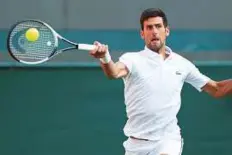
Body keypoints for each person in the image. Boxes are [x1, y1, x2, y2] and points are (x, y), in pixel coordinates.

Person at [89, 8, 232, 155]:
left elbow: (217, 89)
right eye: (149, 27)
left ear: (167, 31)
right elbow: (113, 72)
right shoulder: (132, 59)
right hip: (136, 144)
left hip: (168, 140)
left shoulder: (182, 64)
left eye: (158, 26)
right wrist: (105, 58)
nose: (154, 31)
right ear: (142, 34)